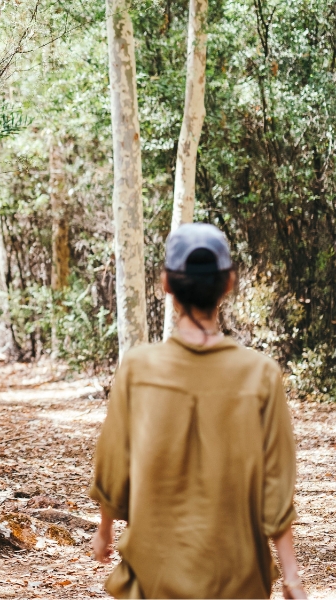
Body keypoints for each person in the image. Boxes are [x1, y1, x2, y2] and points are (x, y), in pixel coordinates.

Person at [89, 223, 306, 599]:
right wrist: (291, 575)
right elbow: (276, 484)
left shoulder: (138, 369)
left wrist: (105, 530)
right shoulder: (261, 374)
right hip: (239, 580)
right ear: (228, 283)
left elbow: (114, 464)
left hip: (153, 578)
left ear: (166, 284)